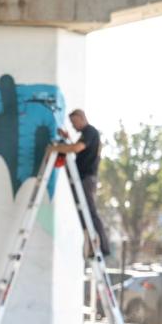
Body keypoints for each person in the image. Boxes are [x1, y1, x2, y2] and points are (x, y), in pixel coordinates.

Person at [52, 108, 110, 256]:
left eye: (73, 122)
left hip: (86, 179)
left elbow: (77, 148)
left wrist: (57, 148)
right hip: (82, 178)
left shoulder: (90, 132)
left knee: (90, 211)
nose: (73, 126)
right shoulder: (85, 135)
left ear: (81, 118)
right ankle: (91, 242)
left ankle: (102, 246)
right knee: (84, 212)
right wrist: (68, 139)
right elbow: (79, 148)